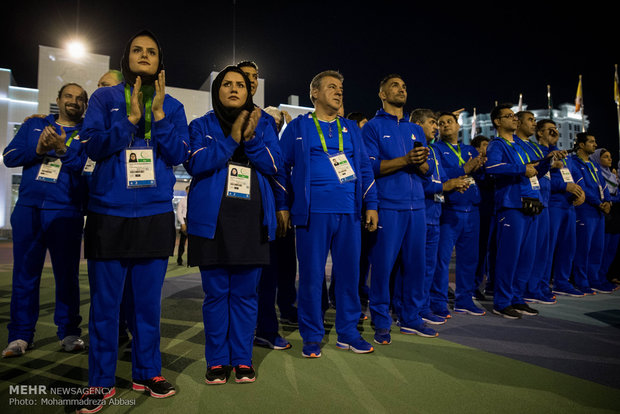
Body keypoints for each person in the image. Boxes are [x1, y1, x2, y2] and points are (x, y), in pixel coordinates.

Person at [78, 30, 188, 411]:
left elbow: (178, 154)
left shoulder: (171, 105)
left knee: (147, 306)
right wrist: (128, 121)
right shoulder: (104, 98)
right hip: (109, 214)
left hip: (155, 215)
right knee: (105, 307)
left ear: (160, 62)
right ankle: (100, 382)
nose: (144, 55)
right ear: (126, 58)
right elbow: (92, 145)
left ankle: (147, 371)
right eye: (137, 50)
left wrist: (157, 116)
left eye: (152, 51)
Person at [186, 65, 282, 384]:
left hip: (252, 222)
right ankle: (216, 360)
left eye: (240, 84)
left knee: (244, 295)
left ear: (249, 91)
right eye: (226, 84)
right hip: (211, 223)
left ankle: (241, 358)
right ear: (217, 91)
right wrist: (232, 140)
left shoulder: (264, 123)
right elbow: (196, 163)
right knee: (216, 295)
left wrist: (251, 140)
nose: (233, 89)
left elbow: (274, 164)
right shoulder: (200, 125)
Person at [274, 70, 378, 358]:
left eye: (341, 87)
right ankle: (311, 335)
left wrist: (372, 204)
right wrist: (282, 205)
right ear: (315, 94)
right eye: (332, 86)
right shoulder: (297, 128)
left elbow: (365, 169)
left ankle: (347, 332)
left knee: (349, 276)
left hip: (349, 213)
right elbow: (281, 169)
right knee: (310, 277)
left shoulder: (351, 129)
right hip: (312, 214)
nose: (339, 91)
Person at [2, 83, 88, 358]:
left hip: (65, 211)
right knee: (24, 275)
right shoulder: (35, 125)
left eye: (79, 98)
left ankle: (69, 332)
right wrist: (38, 149)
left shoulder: (88, 135)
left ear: (85, 105)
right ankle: (19, 335)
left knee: (67, 277)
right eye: (68, 96)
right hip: (28, 210)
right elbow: (8, 157)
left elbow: (89, 171)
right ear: (58, 100)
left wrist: (64, 150)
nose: (73, 101)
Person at [362, 74, 435, 343]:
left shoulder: (415, 129)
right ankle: (381, 320)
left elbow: (428, 170)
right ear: (382, 94)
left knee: (416, 266)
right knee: (382, 267)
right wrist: (405, 160)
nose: (401, 89)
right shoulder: (372, 127)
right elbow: (368, 167)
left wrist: (419, 162)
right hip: (389, 207)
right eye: (395, 85)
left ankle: (411, 318)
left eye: (404, 86)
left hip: (417, 208)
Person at [237, 60, 293, 351]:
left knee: (267, 273)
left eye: (255, 77)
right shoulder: (213, 117)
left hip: (261, 206)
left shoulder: (267, 121)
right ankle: (234, 334)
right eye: (245, 76)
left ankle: (267, 330)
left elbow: (278, 166)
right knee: (232, 276)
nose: (251, 81)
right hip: (229, 208)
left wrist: (282, 205)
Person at [485, 104, 552, 319]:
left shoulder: (521, 146)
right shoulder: (498, 144)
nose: (514, 119)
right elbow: (492, 168)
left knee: (526, 257)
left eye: (515, 116)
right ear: (497, 121)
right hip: (512, 205)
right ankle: (502, 301)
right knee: (509, 257)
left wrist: (548, 162)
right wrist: (521, 168)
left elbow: (534, 173)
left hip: (531, 204)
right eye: (509, 116)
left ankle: (517, 298)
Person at [411, 109, 468, 327]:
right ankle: (412, 308)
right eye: (433, 123)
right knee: (416, 267)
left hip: (435, 213)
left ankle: (424, 307)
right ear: (417, 124)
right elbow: (421, 184)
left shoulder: (431, 150)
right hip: (421, 213)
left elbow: (441, 177)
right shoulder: (414, 149)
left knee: (428, 267)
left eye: (439, 123)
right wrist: (446, 186)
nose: (437, 127)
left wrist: (454, 184)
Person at [430, 112, 486, 318]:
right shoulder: (435, 149)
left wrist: (480, 166)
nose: (445, 125)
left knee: (469, 259)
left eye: (449, 122)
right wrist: (465, 168)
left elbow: (480, 175)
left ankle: (464, 300)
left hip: (472, 209)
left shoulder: (470, 149)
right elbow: (440, 176)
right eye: (441, 123)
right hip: (449, 209)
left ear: (457, 126)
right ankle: (438, 302)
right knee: (442, 260)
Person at [516, 112, 557, 305]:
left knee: (541, 250)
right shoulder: (514, 144)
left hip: (541, 200)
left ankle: (537, 286)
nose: (533, 123)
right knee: (526, 251)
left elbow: (540, 172)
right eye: (530, 120)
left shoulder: (534, 147)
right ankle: (526, 289)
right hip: (524, 203)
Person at [544, 120, 587, 297]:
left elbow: (576, 178)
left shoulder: (564, 155)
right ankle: (542, 284)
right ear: (540, 133)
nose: (554, 132)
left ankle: (562, 282)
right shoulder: (542, 153)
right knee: (548, 247)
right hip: (553, 205)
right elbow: (542, 180)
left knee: (568, 246)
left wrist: (581, 192)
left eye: (556, 129)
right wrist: (563, 187)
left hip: (568, 207)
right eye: (549, 130)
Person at [571, 133, 612, 294]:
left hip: (598, 212)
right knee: (584, 247)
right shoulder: (574, 163)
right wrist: (599, 202)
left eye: (595, 141)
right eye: (591, 142)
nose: (595, 145)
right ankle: (581, 281)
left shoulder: (593, 165)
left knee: (597, 247)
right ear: (581, 145)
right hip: (586, 210)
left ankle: (594, 279)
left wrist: (607, 200)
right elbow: (581, 186)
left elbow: (603, 184)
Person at [590, 148, 620, 292]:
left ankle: (604, 276)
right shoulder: (597, 174)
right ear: (598, 159)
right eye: (606, 157)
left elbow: (617, 193)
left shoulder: (613, 177)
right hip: (603, 213)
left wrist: (612, 200)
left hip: (615, 214)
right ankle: (596, 277)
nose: (609, 159)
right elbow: (601, 192)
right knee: (601, 248)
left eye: (610, 156)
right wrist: (610, 200)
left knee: (611, 249)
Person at [470, 135, 493, 300]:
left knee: (485, 251)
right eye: (485, 145)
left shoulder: (490, 163)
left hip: (491, 210)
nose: (488, 148)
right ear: (477, 148)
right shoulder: (474, 164)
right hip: (478, 211)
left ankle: (481, 284)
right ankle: (471, 286)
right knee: (476, 251)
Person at [176, 185, 189, 265]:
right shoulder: (182, 200)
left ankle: (191, 260)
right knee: (182, 243)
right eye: (188, 190)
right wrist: (182, 223)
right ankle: (179, 259)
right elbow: (178, 212)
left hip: (192, 221)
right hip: (184, 220)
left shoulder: (195, 200)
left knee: (193, 242)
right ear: (186, 191)